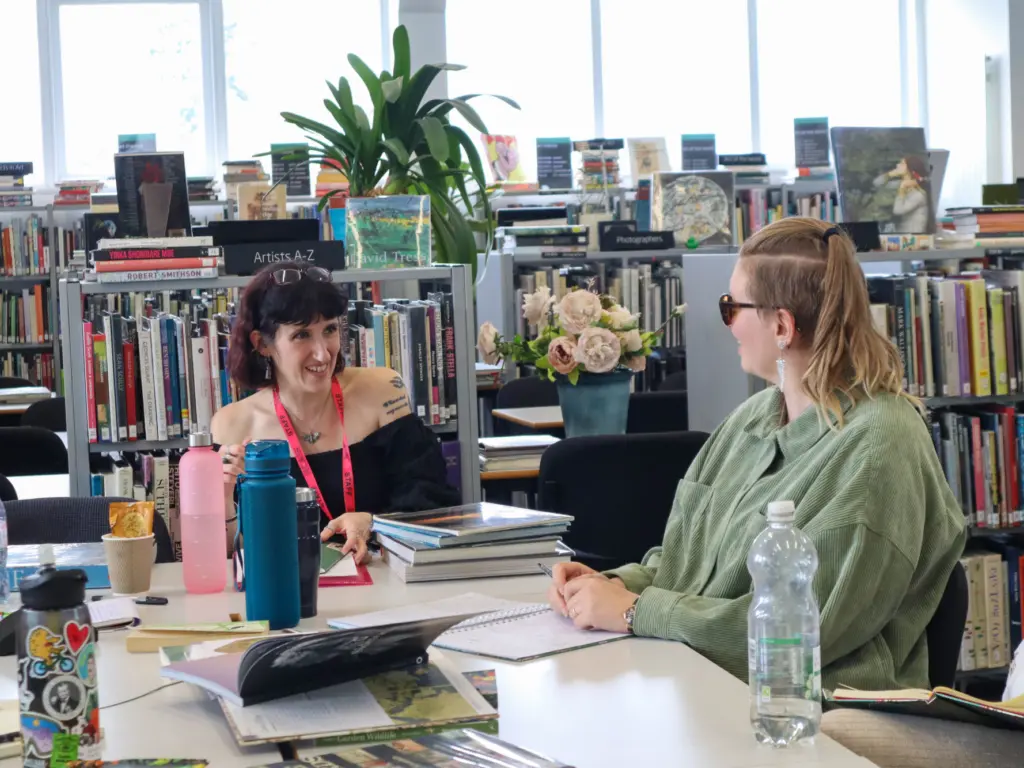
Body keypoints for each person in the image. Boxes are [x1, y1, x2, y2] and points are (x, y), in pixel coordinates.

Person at [548, 217, 966, 693]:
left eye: (732, 307)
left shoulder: (880, 448)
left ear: (783, 325)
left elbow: (802, 632)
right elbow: (687, 562)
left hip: (814, 712)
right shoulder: (754, 417)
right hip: (699, 676)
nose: (726, 322)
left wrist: (632, 611)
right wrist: (614, 584)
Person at [212, 263, 460, 561]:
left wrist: (373, 522)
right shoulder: (233, 425)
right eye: (302, 335)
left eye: (329, 330)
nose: (322, 352)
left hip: (387, 579)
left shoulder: (383, 392)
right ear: (262, 344)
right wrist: (224, 499)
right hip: (288, 587)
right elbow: (226, 555)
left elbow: (436, 506)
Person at [873, 155, 932, 233]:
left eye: (901, 164)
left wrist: (902, 188)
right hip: (903, 228)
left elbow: (897, 210)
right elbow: (876, 183)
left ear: (909, 169)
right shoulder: (902, 183)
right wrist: (890, 174)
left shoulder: (919, 194)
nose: (897, 165)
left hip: (912, 233)